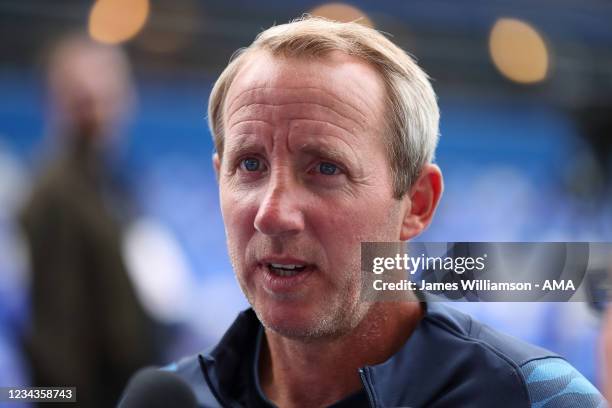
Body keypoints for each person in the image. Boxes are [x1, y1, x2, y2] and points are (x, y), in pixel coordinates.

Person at [160, 17, 605, 407]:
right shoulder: (170, 397)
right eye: (250, 165)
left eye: (325, 168)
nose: (273, 214)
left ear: (417, 203)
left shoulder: (537, 398)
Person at [19, 35, 160, 407]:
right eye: (83, 99)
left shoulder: (113, 181)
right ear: (55, 102)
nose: (98, 111)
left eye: (108, 96)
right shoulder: (54, 195)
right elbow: (55, 335)